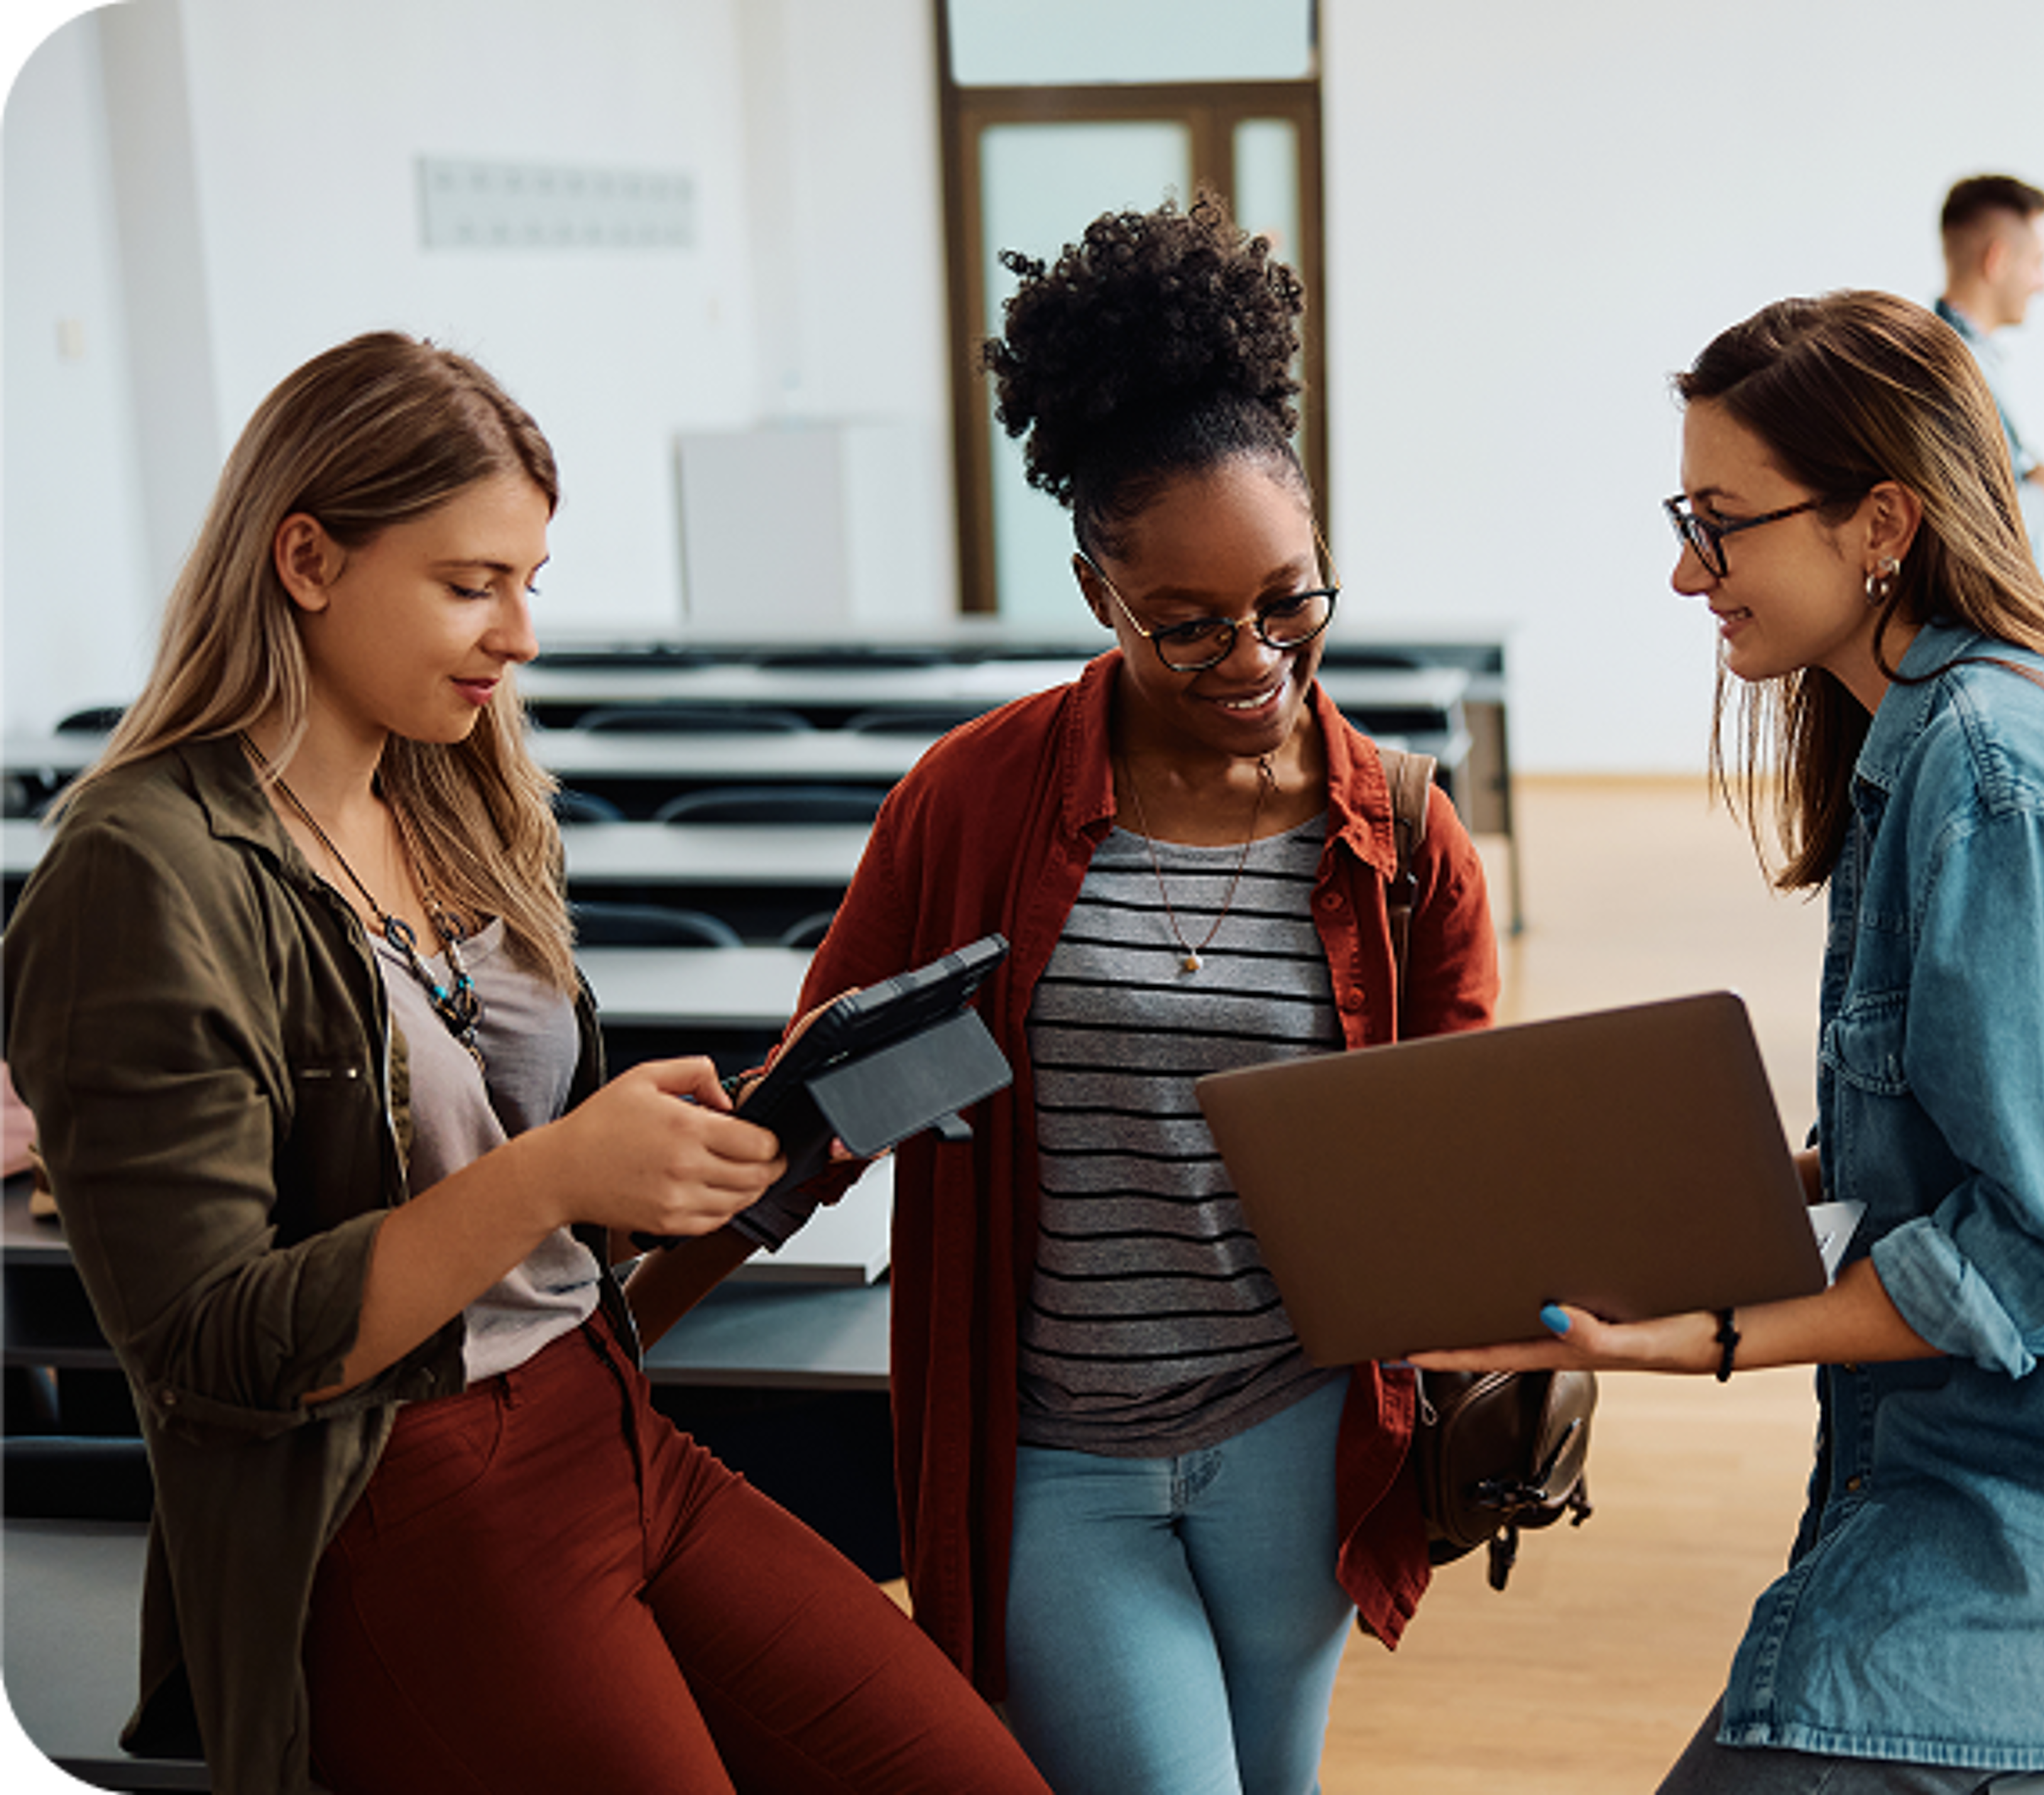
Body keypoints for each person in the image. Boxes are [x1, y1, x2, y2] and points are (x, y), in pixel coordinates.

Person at [0, 332, 1051, 1795]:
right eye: (469, 583)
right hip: (394, 1498)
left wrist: (703, 1153)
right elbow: (211, 1350)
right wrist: (557, 1169)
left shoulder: (453, 798)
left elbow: (504, 1188)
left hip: (607, 1421)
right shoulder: (140, 870)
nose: (521, 635)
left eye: (529, 585)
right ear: (306, 559)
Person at [1419, 290, 2044, 1790]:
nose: (1684, 571)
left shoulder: (2001, 778)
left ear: (1880, 525)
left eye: (1719, 524)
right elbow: (1978, 1125)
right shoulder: (1935, 735)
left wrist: (1704, 1337)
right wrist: (1705, 1192)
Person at [626, 192, 1499, 1795]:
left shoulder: (1406, 842)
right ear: (1100, 593)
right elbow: (818, 1115)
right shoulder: (969, 802)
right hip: (1049, 1461)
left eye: (1290, 598)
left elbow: (1453, 1172)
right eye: (1189, 625)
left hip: (1295, 1441)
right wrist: (607, 1328)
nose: (1256, 657)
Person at [1935, 175, 2044, 586]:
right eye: (2038, 262)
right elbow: (1957, 530)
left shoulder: (1973, 359)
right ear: (1996, 260)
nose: (2043, 282)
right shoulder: (1947, 369)